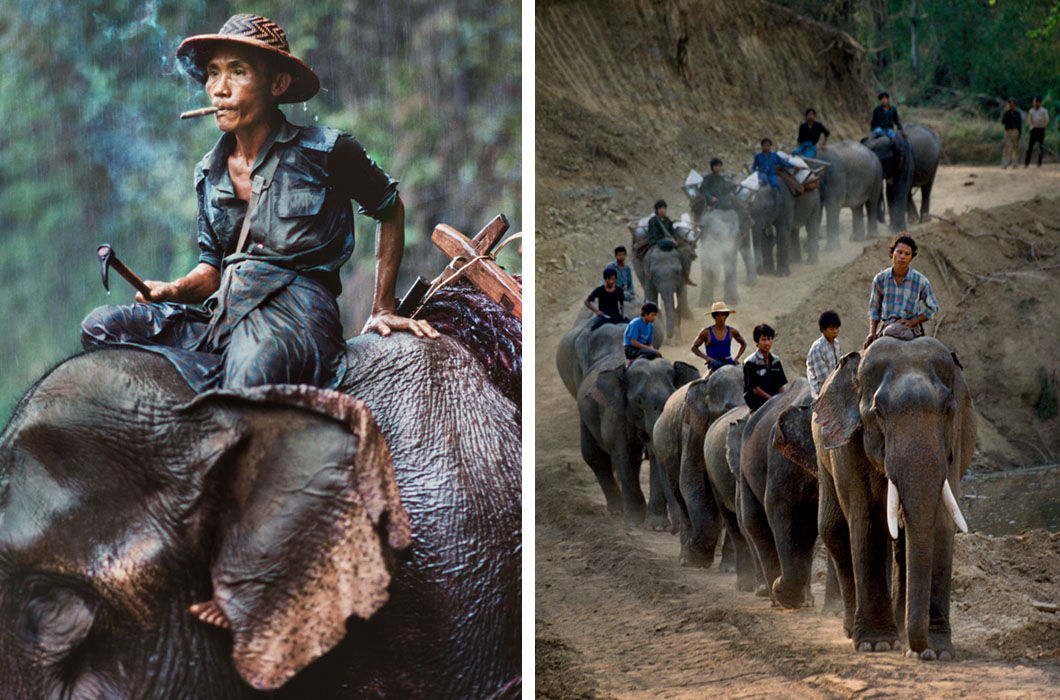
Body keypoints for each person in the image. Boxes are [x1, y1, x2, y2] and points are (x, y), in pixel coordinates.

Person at [81, 14, 438, 395]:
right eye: (213, 73)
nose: (219, 89)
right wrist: (176, 290)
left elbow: (389, 206)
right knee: (101, 328)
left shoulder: (328, 152)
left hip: (297, 315)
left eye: (238, 72)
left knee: (245, 380)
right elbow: (212, 268)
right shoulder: (208, 172)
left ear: (277, 83)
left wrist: (383, 306)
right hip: (225, 314)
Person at [863, 233, 939, 349]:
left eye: (907, 254)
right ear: (892, 253)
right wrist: (872, 333)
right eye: (899, 252)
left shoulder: (920, 281)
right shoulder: (880, 279)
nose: (902, 256)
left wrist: (912, 322)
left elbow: (933, 308)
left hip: (911, 330)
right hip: (886, 327)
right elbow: (874, 308)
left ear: (911, 257)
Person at [691, 301, 747, 372]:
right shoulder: (706, 332)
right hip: (714, 364)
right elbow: (694, 347)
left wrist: (737, 358)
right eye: (717, 315)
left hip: (729, 362)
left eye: (723, 315)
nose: (720, 318)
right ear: (714, 316)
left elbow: (743, 344)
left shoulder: (732, 331)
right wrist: (706, 358)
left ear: (726, 316)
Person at [743, 323, 787, 411]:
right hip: (758, 401)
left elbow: (780, 385)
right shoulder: (750, 362)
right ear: (757, 342)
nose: (767, 343)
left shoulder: (776, 360)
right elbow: (755, 389)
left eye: (769, 339)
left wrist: (783, 399)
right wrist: (771, 399)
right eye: (763, 340)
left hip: (775, 398)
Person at [806, 310, 841, 399]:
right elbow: (823, 379)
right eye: (831, 328)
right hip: (821, 391)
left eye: (836, 328)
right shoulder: (817, 348)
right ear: (822, 330)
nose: (835, 331)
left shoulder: (836, 343)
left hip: (835, 385)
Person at [1025, 96, 1049, 167]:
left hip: (1041, 129)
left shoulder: (1044, 111)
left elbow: (1047, 120)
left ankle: (1039, 163)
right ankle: (1026, 163)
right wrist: (1031, 126)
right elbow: (1030, 120)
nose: (1035, 103)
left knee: (1040, 147)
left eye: (1036, 102)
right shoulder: (1031, 111)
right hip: (1033, 130)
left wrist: (1044, 126)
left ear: (1039, 102)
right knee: (1030, 147)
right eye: (1034, 102)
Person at [1001, 97, 1022, 168]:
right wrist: (1004, 113)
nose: (1010, 105)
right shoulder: (1007, 113)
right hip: (1008, 131)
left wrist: (1020, 133)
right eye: (1009, 103)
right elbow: (1003, 122)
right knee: (1007, 147)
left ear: (1014, 105)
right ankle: (1005, 163)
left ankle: (1015, 163)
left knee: (1015, 147)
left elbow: (1019, 124)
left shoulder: (1017, 113)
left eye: (1012, 104)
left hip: (1015, 131)